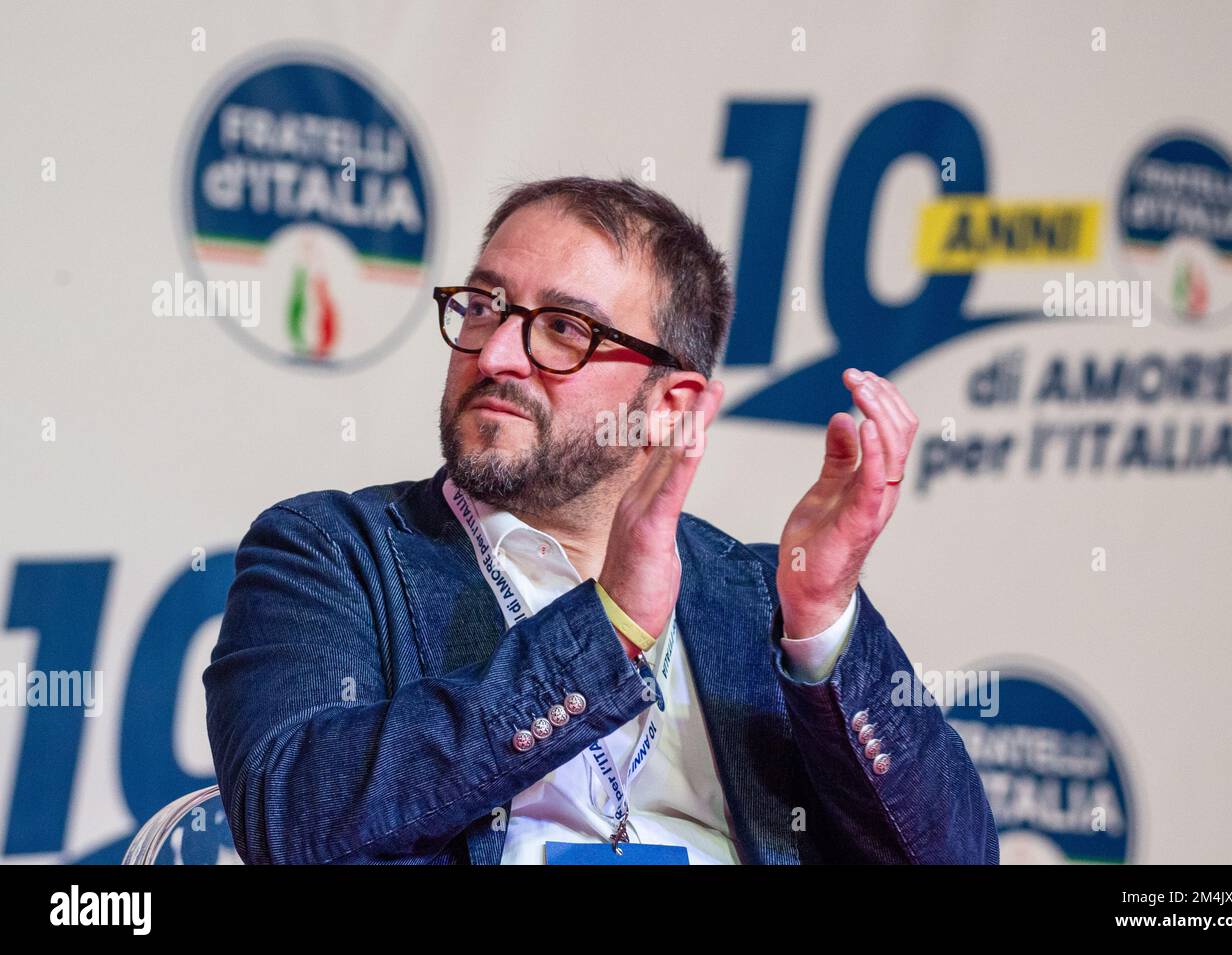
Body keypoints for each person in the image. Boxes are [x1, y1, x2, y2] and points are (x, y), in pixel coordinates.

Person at [204, 176, 999, 864]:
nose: (495, 355)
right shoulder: (334, 551)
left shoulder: (760, 594)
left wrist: (822, 620)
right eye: (485, 306)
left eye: (563, 329)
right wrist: (606, 629)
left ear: (670, 404)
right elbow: (290, 818)